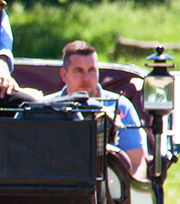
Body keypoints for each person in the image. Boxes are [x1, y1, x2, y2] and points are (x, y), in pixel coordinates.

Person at [59, 40, 147, 176]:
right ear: (64, 75)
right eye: (78, 71)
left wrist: (130, 194)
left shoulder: (120, 106)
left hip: (112, 190)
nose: (86, 78)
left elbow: (137, 163)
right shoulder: (47, 107)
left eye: (91, 70)